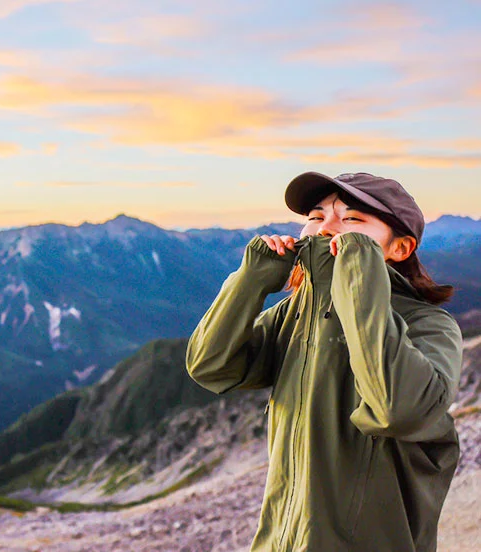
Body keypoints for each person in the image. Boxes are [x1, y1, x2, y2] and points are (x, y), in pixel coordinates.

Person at [185, 171, 462, 551]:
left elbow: (399, 410)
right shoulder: (293, 315)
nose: (325, 228)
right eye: (315, 217)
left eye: (352, 219)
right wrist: (251, 280)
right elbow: (210, 365)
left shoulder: (429, 325)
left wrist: (359, 279)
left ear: (399, 248)